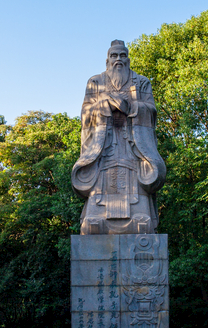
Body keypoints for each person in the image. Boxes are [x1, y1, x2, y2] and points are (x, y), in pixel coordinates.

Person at [71, 40, 166, 234]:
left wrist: (130, 106)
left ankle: (140, 215)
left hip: (133, 146)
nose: (118, 60)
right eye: (114, 56)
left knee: (136, 183)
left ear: (128, 59)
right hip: (104, 145)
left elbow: (151, 110)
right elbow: (85, 111)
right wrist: (104, 105)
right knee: (101, 181)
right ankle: (96, 216)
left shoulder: (141, 82)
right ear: (107, 60)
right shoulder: (95, 82)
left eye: (122, 55)